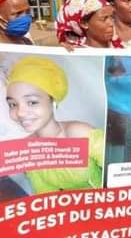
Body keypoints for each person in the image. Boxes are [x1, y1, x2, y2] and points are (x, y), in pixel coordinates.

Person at [6, 56, 104, 193]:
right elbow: (43, 195)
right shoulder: (27, 148)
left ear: (53, 101)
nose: (20, 113)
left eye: (32, 102)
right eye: (13, 104)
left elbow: (119, 174)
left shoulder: (79, 133)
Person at [56, 0, 123, 48]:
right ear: (84, 24)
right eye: (104, 19)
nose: (111, 24)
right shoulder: (75, 55)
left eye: (112, 17)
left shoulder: (118, 47)